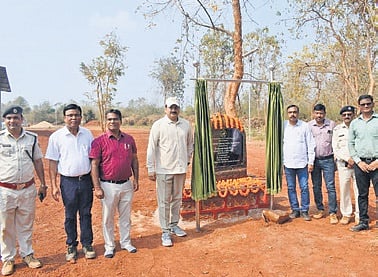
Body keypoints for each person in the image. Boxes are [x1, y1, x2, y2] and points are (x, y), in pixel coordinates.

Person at [45, 103, 96, 263]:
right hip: (68, 182)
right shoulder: (56, 137)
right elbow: (52, 163)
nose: (73, 118)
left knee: (86, 214)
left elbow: (93, 159)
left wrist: (95, 182)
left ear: (81, 117)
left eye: (76, 115)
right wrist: (53, 185)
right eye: (70, 115)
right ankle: (71, 246)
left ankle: (87, 244)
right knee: (70, 215)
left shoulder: (88, 134)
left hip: (85, 180)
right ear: (64, 117)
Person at [0, 106, 47, 276]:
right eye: (9, 118)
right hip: (5, 190)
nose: (12, 121)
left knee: (26, 224)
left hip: (27, 189)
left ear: (22, 119)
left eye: (16, 118)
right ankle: (8, 258)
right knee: (5, 226)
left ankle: (28, 254)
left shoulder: (32, 139)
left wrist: (43, 184)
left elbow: (38, 162)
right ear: (5, 120)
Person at [89, 109, 139, 258]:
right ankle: (109, 245)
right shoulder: (99, 141)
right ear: (106, 121)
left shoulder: (129, 140)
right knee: (108, 217)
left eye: (115, 119)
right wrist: (97, 187)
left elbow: (134, 160)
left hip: (126, 184)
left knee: (125, 216)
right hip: (108, 185)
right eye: (110, 119)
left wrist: (136, 179)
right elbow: (94, 165)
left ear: (120, 121)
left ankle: (126, 242)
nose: (112, 122)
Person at [146, 97, 193, 247]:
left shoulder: (185, 125)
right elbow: (152, 147)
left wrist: (187, 160)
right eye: (171, 107)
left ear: (179, 109)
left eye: (176, 107)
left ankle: (174, 225)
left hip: (180, 169)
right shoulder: (158, 125)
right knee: (164, 201)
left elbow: (190, 144)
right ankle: (165, 231)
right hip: (164, 170)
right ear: (165, 108)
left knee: (177, 199)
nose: (173, 110)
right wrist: (151, 168)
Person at [349, 95, 378, 232]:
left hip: (377, 163)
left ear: (373, 104)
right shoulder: (355, 123)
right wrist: (358, 162)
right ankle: (363, 222)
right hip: (361, 164)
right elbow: (351, 143)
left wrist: (377, 162)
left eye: (368, 104)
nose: (366, 106)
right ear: (359, 106)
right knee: (362, 194)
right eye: (363, 104)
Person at [283, 105, 315, 221]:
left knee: (304, 187)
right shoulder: (283, 126)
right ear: (287, 114)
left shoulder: (304, 126)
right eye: (290, 112)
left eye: (295, 112)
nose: (292, 114)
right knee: (291, 187)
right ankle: (295, 209)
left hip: (302, 163)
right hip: (288, 163)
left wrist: (310, 162)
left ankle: (305, 210)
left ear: (298, 113)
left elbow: (311, 144)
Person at [309, 103, 338, 224]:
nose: (319, 115)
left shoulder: (332, 125)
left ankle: (332, 212)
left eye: (321, 113)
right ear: (313, 113)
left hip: (328, 160)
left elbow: (336, 142)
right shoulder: (309, 126)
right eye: (317, 113)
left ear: (325, 114)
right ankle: (320, 209)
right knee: (316, 186)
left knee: (330, 186)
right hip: (314, 160)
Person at [332, 105, 359, 225]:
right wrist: (347, 159)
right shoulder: (337, 130)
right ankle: (346, 214)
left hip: (359, 164)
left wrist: (355, 160)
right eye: (344, 115)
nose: (347, 117)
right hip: (343, 164)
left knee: (360, 190)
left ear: (353, 115)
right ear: (342, 116)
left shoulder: (359, 127)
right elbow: (335, 148)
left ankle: (360, 214)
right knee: (344, 189)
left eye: (349, 114)